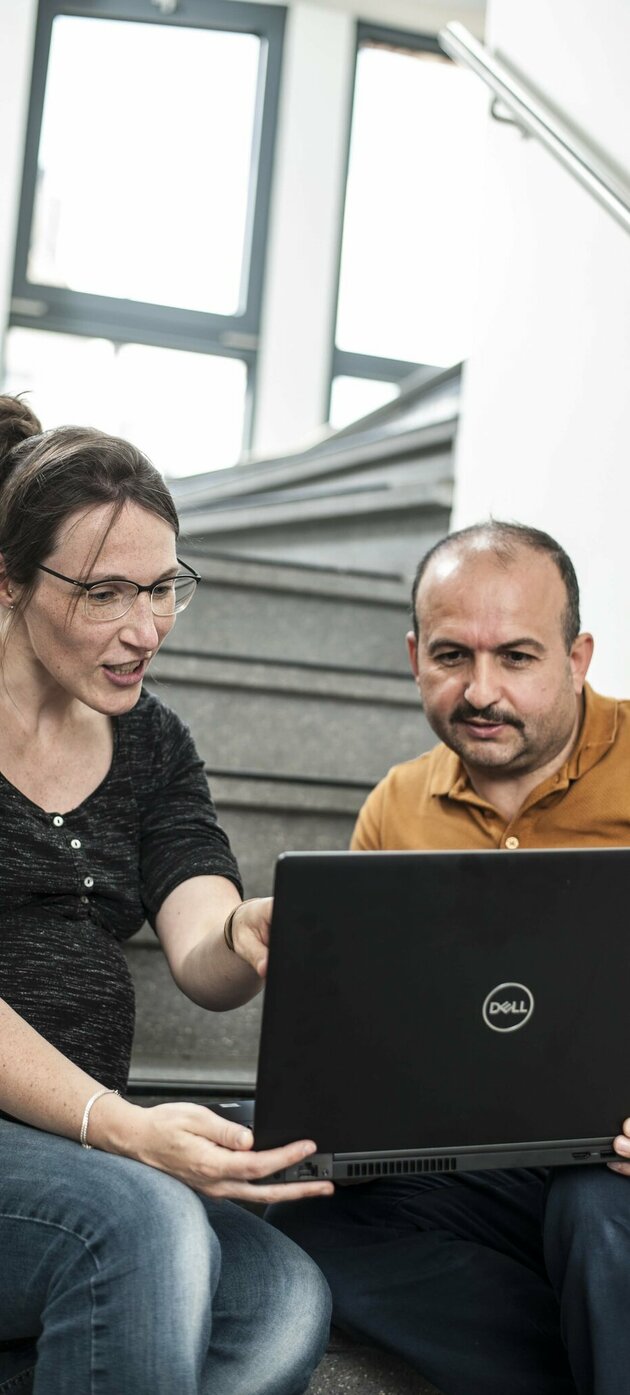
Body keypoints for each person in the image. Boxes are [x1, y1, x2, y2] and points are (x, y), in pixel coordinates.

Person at [0, 394, 333, 1395]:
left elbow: (201, 947)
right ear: (8, 583)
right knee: (140, 1225)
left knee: (282, 1297)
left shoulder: (150, 741)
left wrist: (246, 931)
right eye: (106, 594)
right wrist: (123, 1127)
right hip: (89, 1141)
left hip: (80, 1146)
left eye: (162, 589)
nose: (146, 629)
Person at [269, 521, 630, 1395]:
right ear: (412, 655)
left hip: (615, 1163)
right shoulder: (395, 805)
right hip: (474, 1167)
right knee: (286, 1207)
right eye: (451, 656)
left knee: (596, 1210)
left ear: (577, 657)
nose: (480, 690)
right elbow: (363, 1038)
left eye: (516, 657)